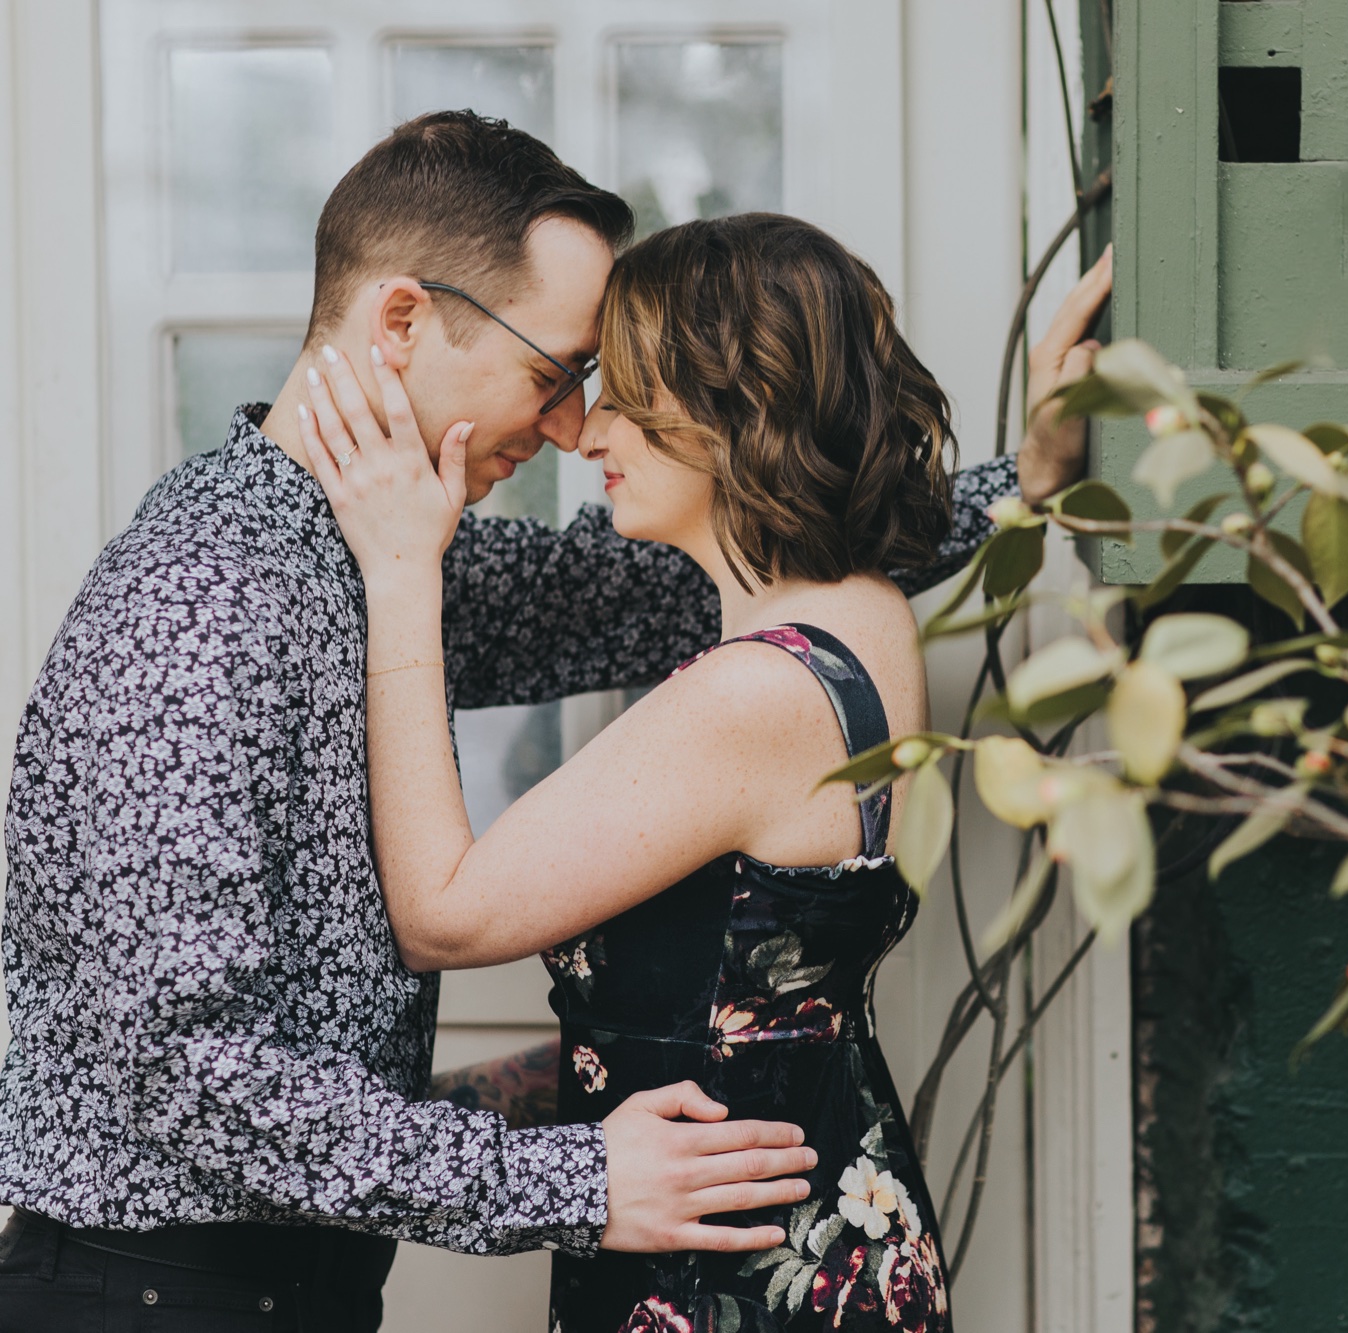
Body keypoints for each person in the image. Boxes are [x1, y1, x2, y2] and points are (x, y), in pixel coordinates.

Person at [0, 112, 1101, 1332]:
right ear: (404, 323)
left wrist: (1023, 488)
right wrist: (571, 1178)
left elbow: (687, 570)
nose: (575, 427)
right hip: (148, 1294)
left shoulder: (386, 557)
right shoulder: (201, 599)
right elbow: (180, 1069)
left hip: (295, 1282)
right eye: (554, 372)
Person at [295, 209, 1109, 1333]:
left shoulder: (747, 698)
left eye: (622, 390)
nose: (585, 432)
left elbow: (440, 912)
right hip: (808, 1228)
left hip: (726, 1273)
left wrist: (400, 577)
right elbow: (701, 1010)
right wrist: (1030, 476)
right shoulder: (856, 610)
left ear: (729, 412)